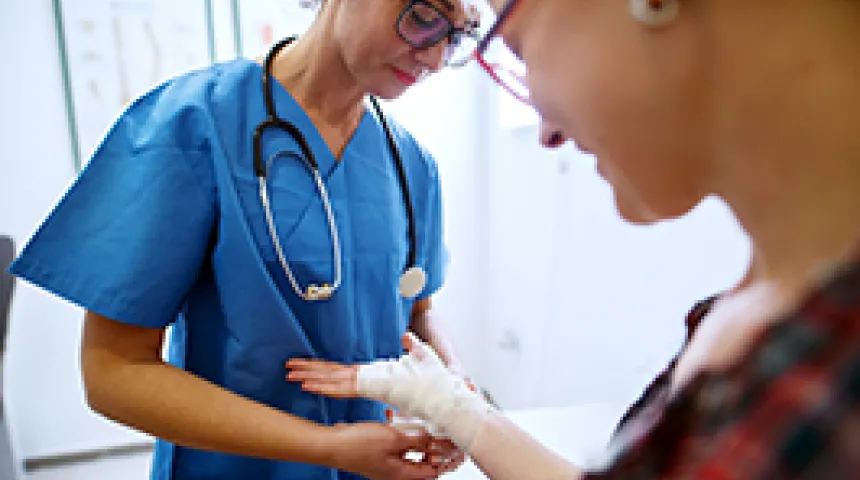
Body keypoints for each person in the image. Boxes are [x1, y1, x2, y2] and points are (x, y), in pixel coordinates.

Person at [286, 0, 860, 478]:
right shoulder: (748, 316)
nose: (547, 132)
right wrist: (456, 409)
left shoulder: (829, 373)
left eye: (518, 50)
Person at [9, 0, 483, 479]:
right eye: (425, 19)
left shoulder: (410, 165)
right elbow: (114, 372)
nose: (436, 58)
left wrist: (455, 395)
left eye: (459, 36)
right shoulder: (195, 124)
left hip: (373, 466)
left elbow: (418, 311)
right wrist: (327, 447)